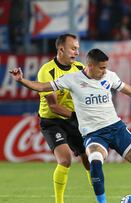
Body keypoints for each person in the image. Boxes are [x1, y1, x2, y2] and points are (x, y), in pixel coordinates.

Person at [10, 48, 131, 203]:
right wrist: (21, 80)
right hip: (94, 134)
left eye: (106, 67)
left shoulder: (110, 76)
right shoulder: (72, 79)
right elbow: (43, 87)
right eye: (102, 68)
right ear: (90, 65)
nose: (105, 71)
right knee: (95, 161)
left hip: (117, 128)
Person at [36, 33, 91, 203]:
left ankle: (100, 198)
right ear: (61, 49)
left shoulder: (80, 69)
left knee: (90, 160)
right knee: (65, 160)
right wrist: (78, 116)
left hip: (74, 120)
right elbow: (53, 106)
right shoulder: (47, 71)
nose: (76, 52)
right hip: (52, 121)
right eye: (73, 48)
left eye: (78, 49)